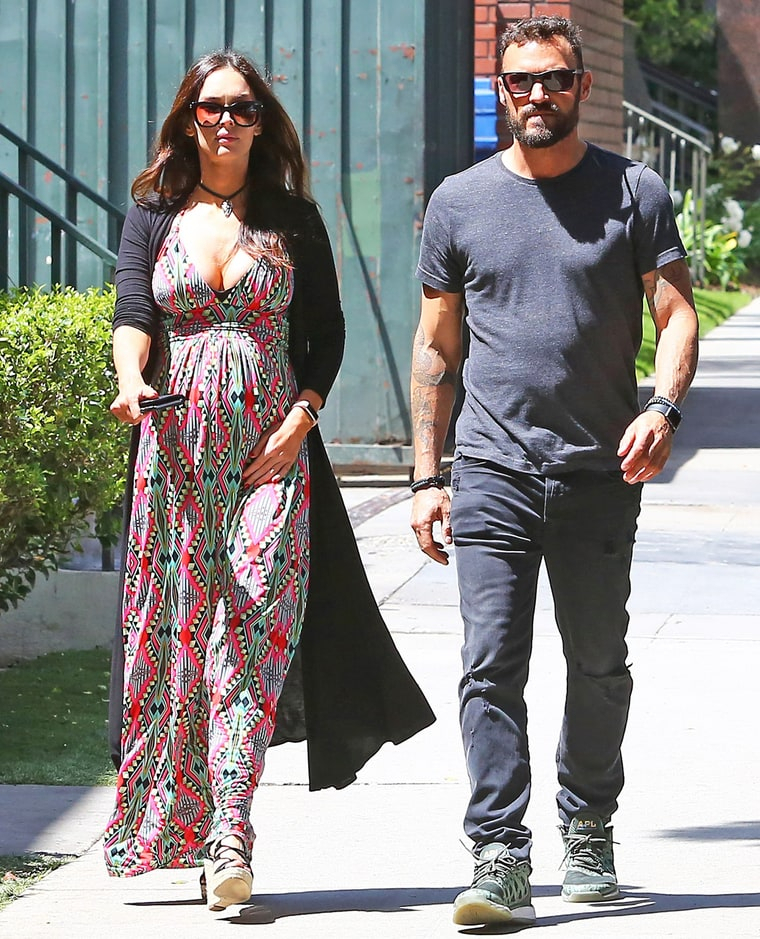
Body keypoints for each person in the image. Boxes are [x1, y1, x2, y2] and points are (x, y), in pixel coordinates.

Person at [105, 50, 434, 912]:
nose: (225, 121)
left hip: (269, 462)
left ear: (262, 121)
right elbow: (134, 313)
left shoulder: (295, 219)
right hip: (174, 458)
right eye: (210, 107)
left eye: (242, 108)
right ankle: (180, 821)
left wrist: (300, 420)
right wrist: (131, 378)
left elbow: (325, 333)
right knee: (176, 641)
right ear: (187, 119)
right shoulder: (153, 215)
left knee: (248, 631)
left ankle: (231, 836)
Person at [410, 15, 698, 928]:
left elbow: (678, 312)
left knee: (599, 661)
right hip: (492, 466)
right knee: (489, 664)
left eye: (557, 80)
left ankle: (588, 828)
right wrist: (427, 475)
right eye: (523, 81)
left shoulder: (634, 191)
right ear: (500, 88)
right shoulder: (457, 201)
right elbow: (435, 347)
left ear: (581, 86)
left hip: (597, 469)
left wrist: (662, 407)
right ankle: (497, 851)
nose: (539, 95)